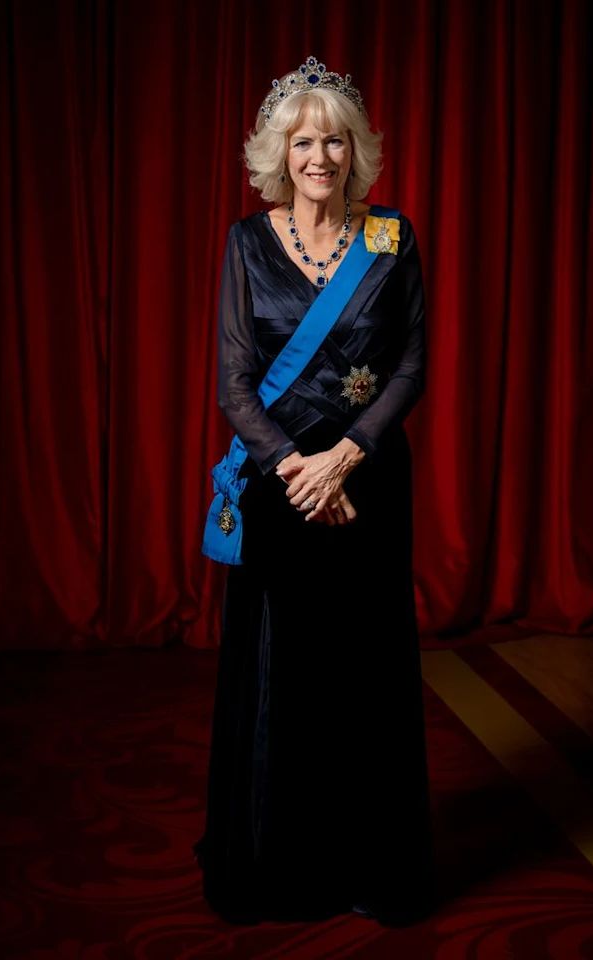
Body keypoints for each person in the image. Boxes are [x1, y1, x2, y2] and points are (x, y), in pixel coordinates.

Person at [192, 55, 435, 927]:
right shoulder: (247, 243)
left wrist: (350, 455)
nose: (320, 157)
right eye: (304, 142)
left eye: (335, 140)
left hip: (368, 483)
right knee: (279, 669)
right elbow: (233, 380)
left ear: (357, 151)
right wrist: (299, 468)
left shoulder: (390, 237)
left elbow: (411, 363)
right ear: (278, 154)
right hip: (280, 483)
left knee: (362, 669)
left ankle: (371, 866)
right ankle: (275, 864)